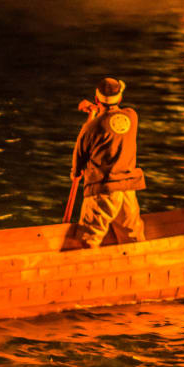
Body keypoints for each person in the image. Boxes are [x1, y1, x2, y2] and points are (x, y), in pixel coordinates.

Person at [67, 76, 146, 248]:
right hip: (127, 189)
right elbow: (111, 120)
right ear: (120, 98)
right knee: (132, 239)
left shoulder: (91, 127)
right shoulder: (132, 116)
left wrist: (76, 172)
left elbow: (80, 155)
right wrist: (95, 110)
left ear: (97, 99)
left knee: (88, 239)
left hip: (103, 190)